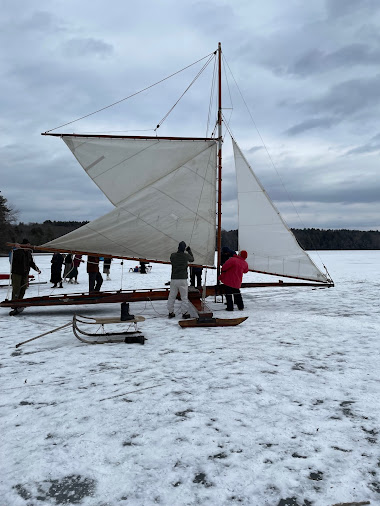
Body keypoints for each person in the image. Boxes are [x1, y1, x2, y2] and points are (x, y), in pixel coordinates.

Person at [10, 239, 41, 312]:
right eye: (27, 245)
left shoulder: (29, 253)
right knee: (16, 288)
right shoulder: (17, 252)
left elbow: (31, 263)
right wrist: (18, 248)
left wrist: (37, 269)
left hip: (25, 273)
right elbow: (15, 259)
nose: (29, 246)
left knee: (23, 287)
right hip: (17, 272)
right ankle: (14, 302)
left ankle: (20, 300)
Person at [167, 241, 194, 319]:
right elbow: (192, 259)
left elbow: (172, 259)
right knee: (184, 297)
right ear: (184, 248)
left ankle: (170, 312)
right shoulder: (185, 256)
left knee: (172, 296)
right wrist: (189, 251)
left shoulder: (173, 255)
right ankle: (184, 313)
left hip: (174, 279)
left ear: (178, 247)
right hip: (183, 279)